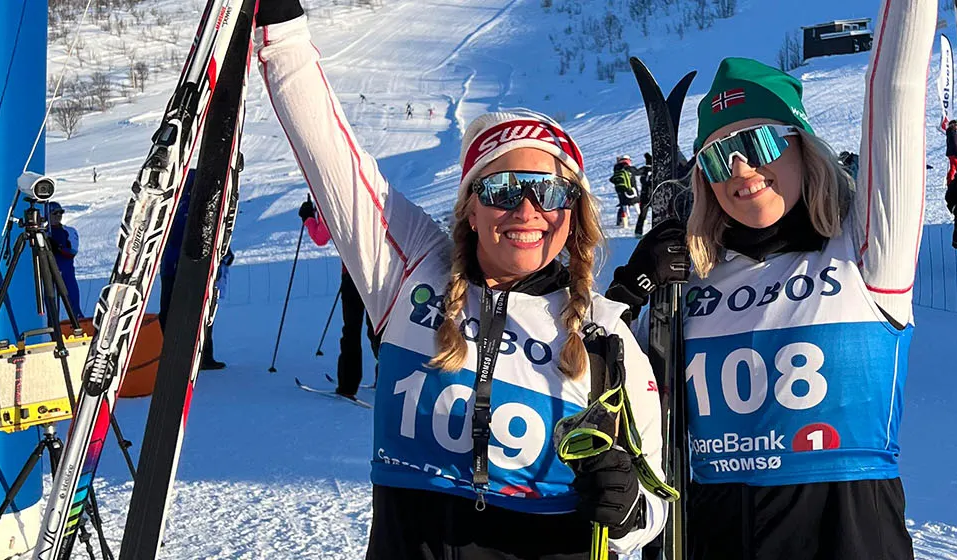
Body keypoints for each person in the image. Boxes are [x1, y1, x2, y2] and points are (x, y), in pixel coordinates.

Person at [255, 2, 669, 557]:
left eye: (549, 193)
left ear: (573, 214)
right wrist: (282, 32)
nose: (526, 211)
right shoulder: (408, 274)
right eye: (501, 190)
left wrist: (627, 507)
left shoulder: (606, 338)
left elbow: (652, 512)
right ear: (470, 210)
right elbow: (329, 153)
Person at [605, 2, 934, 558]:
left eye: (758, 144)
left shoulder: (865, 256)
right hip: (712, 536)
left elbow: (897, 88)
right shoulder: (691, 283)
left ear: (802, 145)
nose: (740, 171)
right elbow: (601, 386)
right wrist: (628, 292)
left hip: (846, 539)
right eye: (717, 158)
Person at [301, 198, 382, 398]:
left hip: (353, 275)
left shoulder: (336, 203)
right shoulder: (369, 199)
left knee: (351, 330)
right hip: (378, 274)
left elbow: (320, 238)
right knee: (377, 329)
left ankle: (347, 386)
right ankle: (386, 377)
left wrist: (309, 218)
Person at [159, 169, 227, 370]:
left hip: (175, 267)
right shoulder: (191, 206)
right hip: (187, 267)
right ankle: (196, 355)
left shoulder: (176, 205)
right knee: (197, 311)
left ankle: (175, 354)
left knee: (175, 312)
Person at [45, 202, 84, 320]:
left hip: (66, 273)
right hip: (47, 274)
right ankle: (52, 330)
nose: (58, 215)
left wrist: (58, 248)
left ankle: (79, 326)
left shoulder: (69, 231)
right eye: (54, 213)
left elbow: (72, 252)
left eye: (60, 212)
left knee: (73, 305)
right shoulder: (42, 233)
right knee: (50, 308)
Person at [609, 155, 639, 228]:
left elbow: (612, 179)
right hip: (631, 191)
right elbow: (637, 172)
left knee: (623, 206)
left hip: (620, 191)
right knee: (637, 205)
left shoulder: (616, 168)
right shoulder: (629, 168)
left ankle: (622, 222)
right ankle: (642, 220)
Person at [634, 152, 655, 236]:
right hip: (653, 195)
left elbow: (637, 173)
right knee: (656, 214)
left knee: (642, 215)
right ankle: (655, 231)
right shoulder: (655, 169)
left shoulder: (644, 170)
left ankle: (638, 232)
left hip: (644, 196)